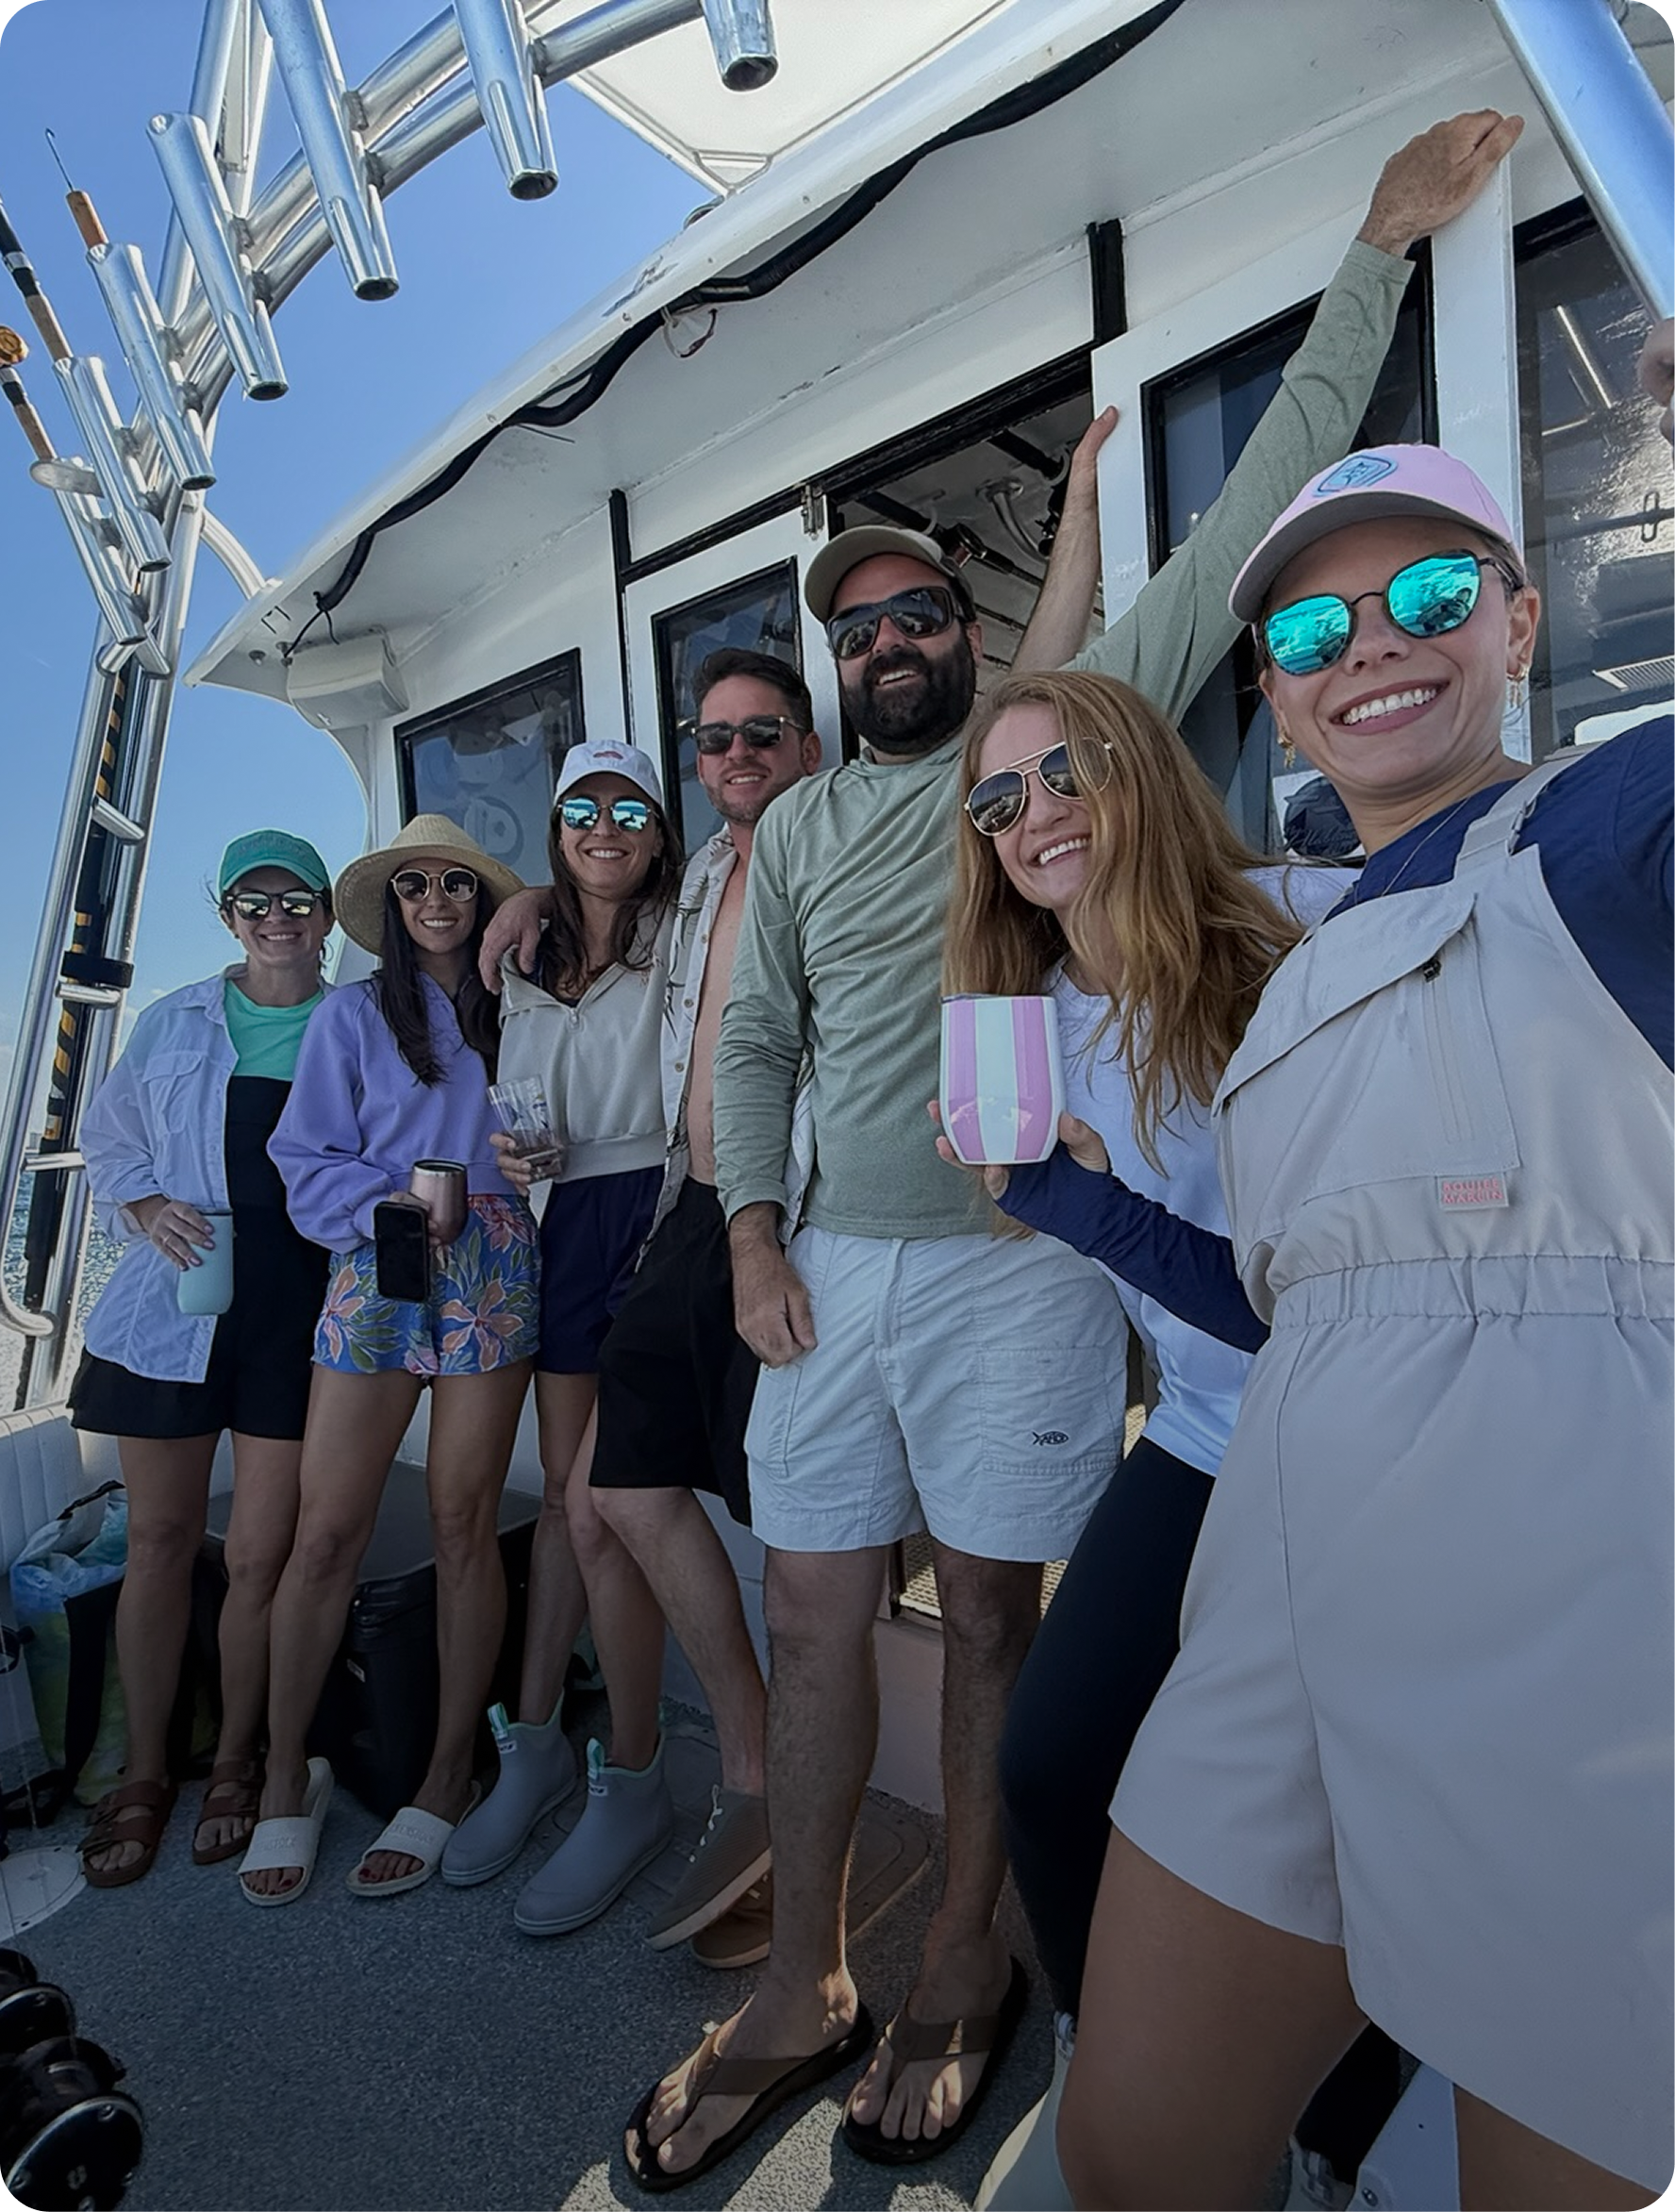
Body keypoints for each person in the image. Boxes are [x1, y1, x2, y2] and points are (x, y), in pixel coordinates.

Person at [626, 109, 1523, 2191]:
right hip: (836, 1268)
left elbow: (1250, 538)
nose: (884, 646)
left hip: (1044, 1275)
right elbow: (750, 1033)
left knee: (1032, 1654)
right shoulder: (815, 825)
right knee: (829, 1610)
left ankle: (973, 1970)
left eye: (914, 608)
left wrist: (1380, 252)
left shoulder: (1111, 753)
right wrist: (754, 1228)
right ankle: (812, 1981)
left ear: (974, 626)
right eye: (849, 631)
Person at [993, 446, 1673, 2208]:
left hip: (1568, 1586)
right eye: (1314, 624)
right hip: (1289, 1571)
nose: (1374, 641)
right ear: (1280, 700)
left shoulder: (1600, 837)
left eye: (1433, 596)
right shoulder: (1301, 964)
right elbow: (1296, 1313)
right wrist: (1064, 1196)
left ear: (1520, 621)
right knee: (1133, 2148)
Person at [937, 670, 1399, 2212]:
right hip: (1206, 1438)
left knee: (1347, 1818)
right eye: (999, 800)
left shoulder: (1301, 922)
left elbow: (1305, 1309)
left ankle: (1331, 2147)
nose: (1036, 814)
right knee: (1054, 1765)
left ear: (1138, 764)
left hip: (1362, 1439)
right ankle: (1108, 2056)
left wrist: (1074, 1199)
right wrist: (1020, 1183)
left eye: (1065, 771)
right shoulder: (1028, 1029)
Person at [478, 658, 821, 1961]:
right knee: (605, 1494)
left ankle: (769, 1795)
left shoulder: (772, 862)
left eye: (763, 734)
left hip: (775, 1203)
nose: (608, 829)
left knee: (789, 1523)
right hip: (676, 1210)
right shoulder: (625, 920)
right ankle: (690, 1769)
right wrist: (522, 896)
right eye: (716, 737)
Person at [241, 817, 536, 1904]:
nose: (435, 896)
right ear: (392, 904)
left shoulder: (525, 1007)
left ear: (480, 896)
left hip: (495, 1258)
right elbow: (300, 1157)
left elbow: (562, 1123)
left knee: (466, 1526)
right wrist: (392, 1205)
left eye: (457, 879)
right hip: (379, 1256)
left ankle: (451, 1770)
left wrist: (530, 1164)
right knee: (326, 1533)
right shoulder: (350, 1015)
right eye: (412, 881)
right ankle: (284, 1773)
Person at [443, 740, 688, 1937]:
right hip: (556, 1221)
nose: (605, 824)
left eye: (628, 805)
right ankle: (536, 1741)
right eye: (581, 808)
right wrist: (505, 1158)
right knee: (563, 1508)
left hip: (653, 1214)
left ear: (657, 824)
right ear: (556, 828)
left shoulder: (687, 925)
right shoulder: (524, 951)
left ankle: (633, 1776)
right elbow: (510, 1111)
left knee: (602, 1508)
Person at [67, 831, 335, 1886]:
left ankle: (234, 1760)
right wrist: (139, 1199)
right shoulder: (170, 1018)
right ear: (227, 914)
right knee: (163, 1538)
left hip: (293, 1304)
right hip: (177, 1291)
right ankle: (143, 1772)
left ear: (324, 912)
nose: (276, 916)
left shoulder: (352, 1020)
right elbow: (108, 1135)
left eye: (295, 898)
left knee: (262, 1554)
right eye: (253, 900)